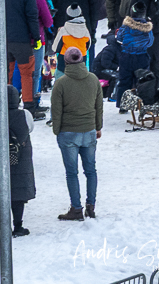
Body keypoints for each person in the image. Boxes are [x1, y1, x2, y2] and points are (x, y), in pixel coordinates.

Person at [50, 46, 103, 221]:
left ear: (65, 62)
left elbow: (56, 111)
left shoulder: (61, 82)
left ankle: (76, 209)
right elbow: (98, 106)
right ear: (82, 60)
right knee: (91, 171)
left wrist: (57, 130)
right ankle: (91, 206)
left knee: (72, 173)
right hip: (88, 131)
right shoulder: (93, 79)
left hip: (68, 133)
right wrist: (98, 126)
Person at [0, 85, 35, 237]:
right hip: (21, 158)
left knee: (2, 191)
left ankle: (4, 226)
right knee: (18, 191)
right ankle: (18, 226)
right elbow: (30, 129)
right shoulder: (25, 114)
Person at [114, 3, 156, 107]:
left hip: (126, 56)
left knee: (124, 81)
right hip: (142, 57)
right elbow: (150, 42)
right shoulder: (147, 28)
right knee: (143, 82)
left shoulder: (126, 26)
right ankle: (142, 104)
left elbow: (119, 38)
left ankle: (123, 105)